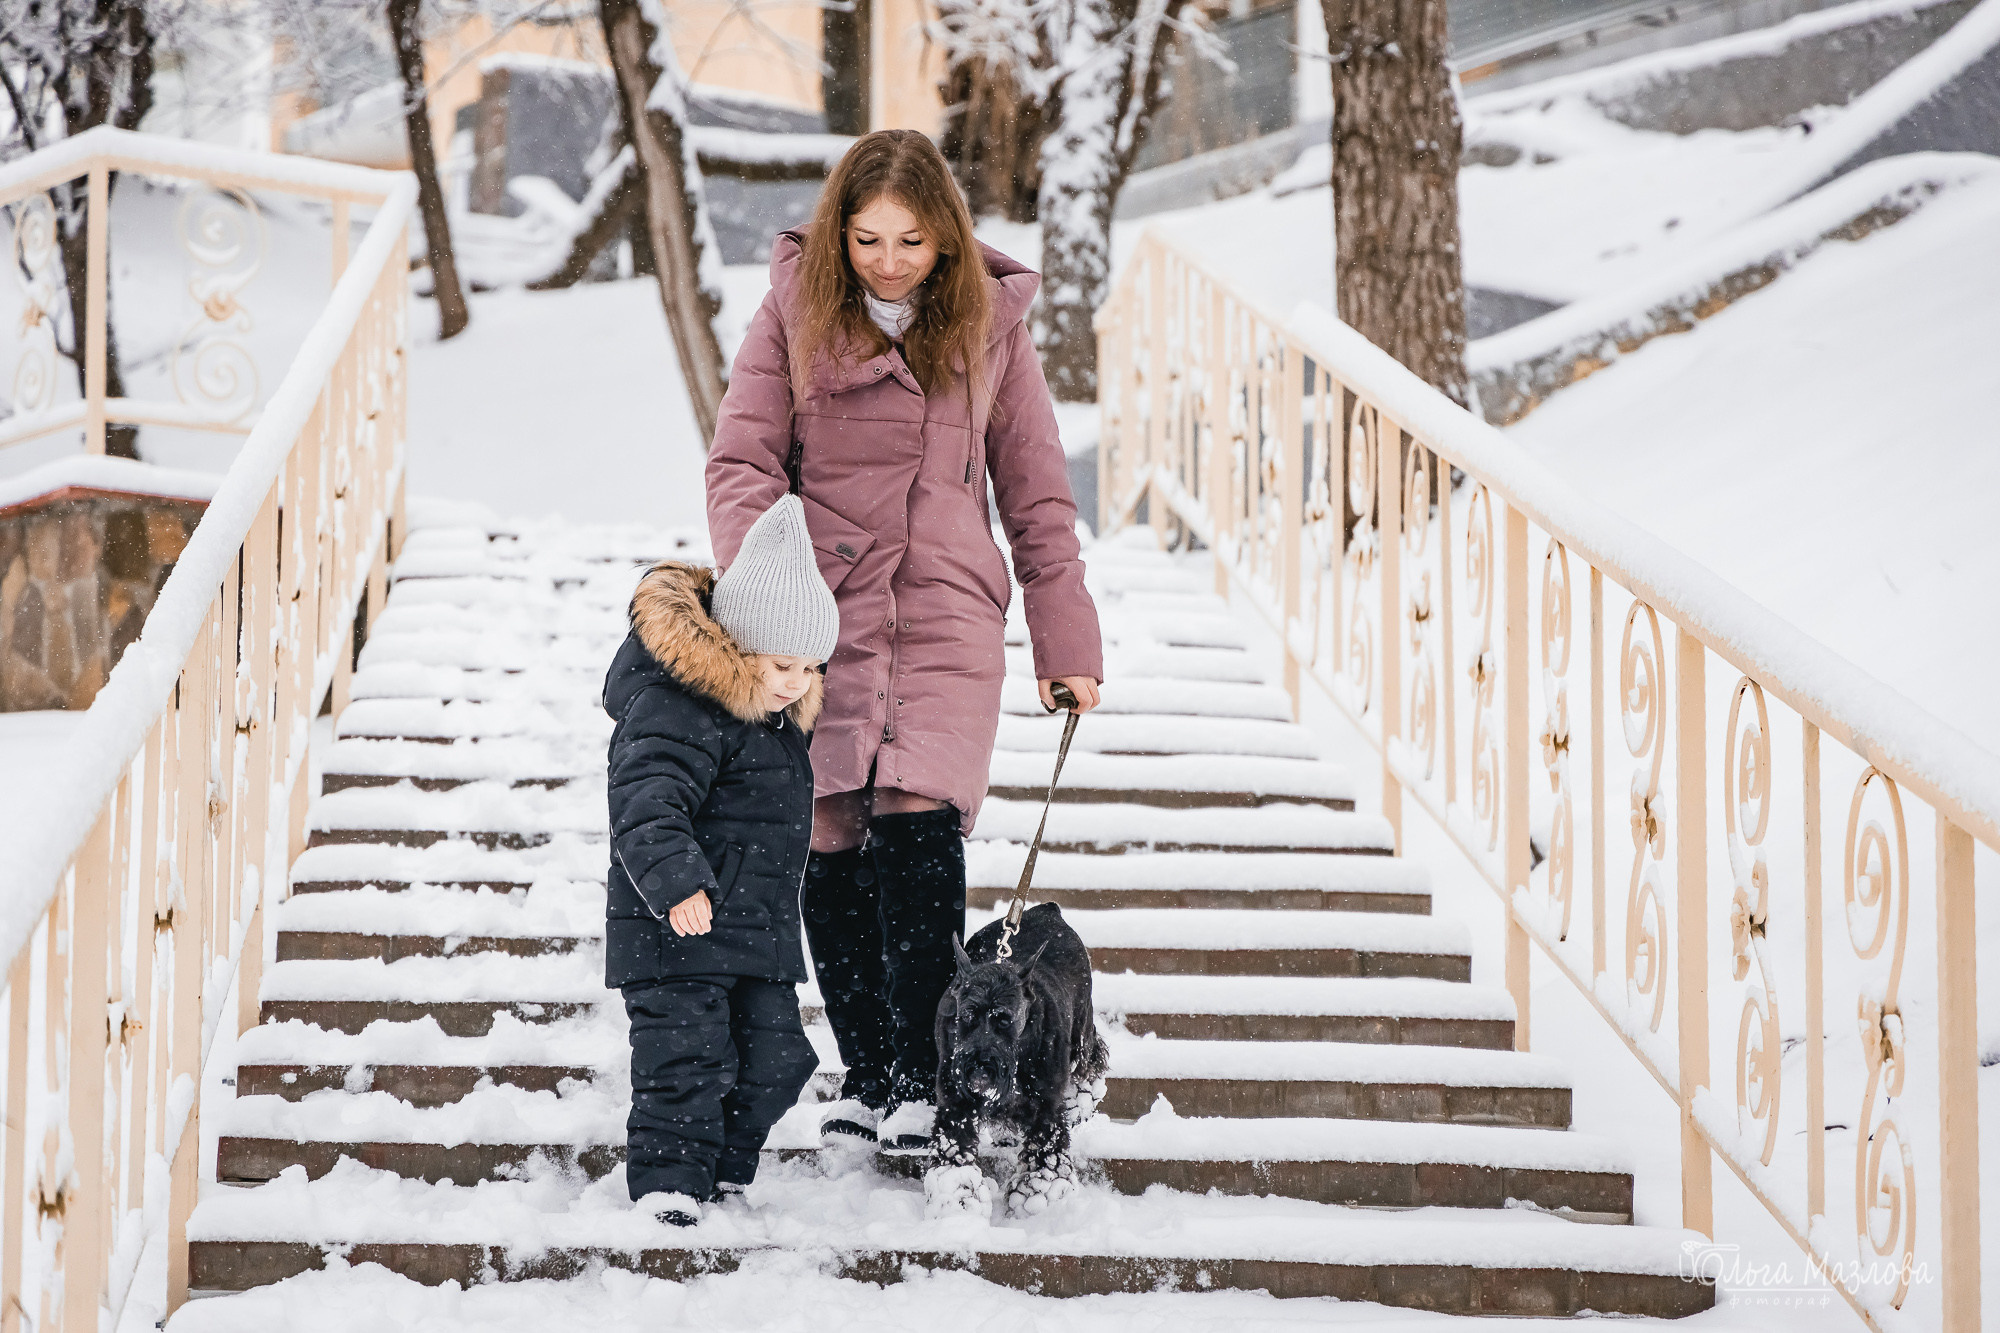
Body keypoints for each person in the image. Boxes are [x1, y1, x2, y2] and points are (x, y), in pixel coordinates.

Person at [706, 129, 1104, 1152]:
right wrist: (772, 588)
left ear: (944, 238)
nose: (888, 261)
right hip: (820, 614)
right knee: (832, 831)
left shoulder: (991, 326)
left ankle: (934, 1082)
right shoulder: (791, 315)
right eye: (869, 239)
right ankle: (868, 1073)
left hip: (942, 608)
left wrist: (1066, 633)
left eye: (911, 240)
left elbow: (1034, 485)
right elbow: (741, 460)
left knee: (917, 828)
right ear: (840, 233)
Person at [602, 494, 837, 1225]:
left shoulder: (773, 721)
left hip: (753, 935)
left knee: (779, 1058)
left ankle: (723, 1167)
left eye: (809, 666)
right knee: (686, 1061)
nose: (797, 681)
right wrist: (675, 882)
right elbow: (646, 794)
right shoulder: (682, 704)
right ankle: (674, 1184)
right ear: (739, 644)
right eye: (781, 662)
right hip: (676, 927)